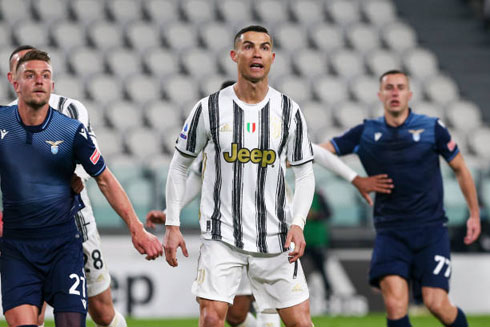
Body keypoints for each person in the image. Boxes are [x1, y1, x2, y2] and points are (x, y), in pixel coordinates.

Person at [163, 25, 316, 327]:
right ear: (234, 56)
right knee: (211, 318)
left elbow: (305, 172)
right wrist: (172, 223)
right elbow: (180, 166)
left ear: (272, 57)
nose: (256, 52)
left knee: (300, 322)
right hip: (222, 236)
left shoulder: (288, 111)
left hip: (276, 237)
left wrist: (298, 224)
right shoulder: (208, 108)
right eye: (248, 46)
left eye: (263, 47)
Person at [0, 50, 162, 327]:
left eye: (45, 74)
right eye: (28, 73)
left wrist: (136, 227)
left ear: (52, 82)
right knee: (30, 315)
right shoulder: (5, 120)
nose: (38, 79)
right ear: (14, 78)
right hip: (21, 238)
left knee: (101, 310)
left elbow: (98, 171)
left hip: (73, 227)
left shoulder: (70, 116)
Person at [316, 70, 481, 327]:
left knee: (436, 303)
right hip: (391, 232)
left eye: (400, 87)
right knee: (394, 305)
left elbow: (460, 168)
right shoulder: (366, 133)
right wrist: (352, 177)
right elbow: (318, 152)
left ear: (409, 94)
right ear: (380, 95)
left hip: (431, 231)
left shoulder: (432, 128)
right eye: (389, 87)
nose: (395, 92)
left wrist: (473, 213)